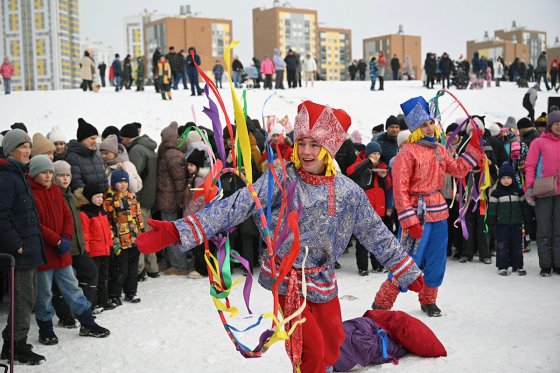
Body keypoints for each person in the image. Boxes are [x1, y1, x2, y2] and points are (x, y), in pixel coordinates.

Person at [137, 100, 424, 373]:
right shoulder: (281, 179)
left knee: (332, 345)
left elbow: (375, 232)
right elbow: (237, 205)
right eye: (302, 144)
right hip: (289, 281)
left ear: (329, 149)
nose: (307, 151)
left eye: (315, 145)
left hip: (324, 279)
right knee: (308, 349)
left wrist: (404, 267)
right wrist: (180, 229)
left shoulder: (348, 192)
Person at [372, 96, 485, 317]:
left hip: (439, 212)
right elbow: (400, 189)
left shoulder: (440, 150)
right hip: (417, 213)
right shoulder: (407, 152)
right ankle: (382, 303)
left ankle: (428, 299)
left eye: (431, 122)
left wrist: (473, 147)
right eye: (424, 124)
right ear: (415, 128)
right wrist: (408, 219)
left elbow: (459, 169)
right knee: (405, 259)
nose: (430, 127)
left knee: (436, 258)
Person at [28, 155, 110, 346]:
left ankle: (88, 323)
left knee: (72, 287)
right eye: (44, 172)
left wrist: (65, 238)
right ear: (34, 173)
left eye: (50, 172)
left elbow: (67, 217)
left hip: (62, 250)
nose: (48, 176)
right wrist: (56, 240)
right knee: (44, 293)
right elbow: (35, 224)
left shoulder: (56, 192)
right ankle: (46, 329)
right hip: (44, 253)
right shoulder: (29, 193)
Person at [0, 129, 46, 365]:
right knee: (22, 300)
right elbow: (1, 217)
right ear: (10, 150)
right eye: (22, 145)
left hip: (29, 248)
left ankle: (15, 343)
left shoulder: (18, 173)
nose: (28, 150)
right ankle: (15, 347)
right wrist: (16, 245)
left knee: (28, 299)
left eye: (29, 145)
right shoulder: (6, 176)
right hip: (19, 252)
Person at [51, 160, 99, 325]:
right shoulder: (53, 195)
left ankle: (84, 308)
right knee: (60, 283)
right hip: (62, 246)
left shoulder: (71, 195)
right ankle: (65, 317)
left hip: (78, 246)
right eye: (61, 175)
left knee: (90, 271)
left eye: (67, 175)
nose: (65, 179)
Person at [120, 123, 159, 280]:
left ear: (128, 137)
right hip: (150, 196)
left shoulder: (136, 150)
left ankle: (139, 269)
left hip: (140, 197)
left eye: (123, 138)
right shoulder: (149, 147)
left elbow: (134, 176)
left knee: (140, 235)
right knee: (149, 233)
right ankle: (153, 266)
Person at [347, 141, 391, 274]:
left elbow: (388, 187)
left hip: (379, 208)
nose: (376, 156)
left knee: (377, 238)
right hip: (364, 209)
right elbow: (351, 172)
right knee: (362, 239)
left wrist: (385, 177)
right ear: (367, 154)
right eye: (373, 153)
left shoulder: (383, 167)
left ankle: (377, 265)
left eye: (378, 153)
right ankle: (362, 267)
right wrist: (368, 162)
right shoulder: (361, 164)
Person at [524, 110, 560, 276]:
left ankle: (558, 263)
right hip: (543, 189)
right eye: (556, 123)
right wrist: (529, 187)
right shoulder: (538, 142)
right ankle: (546, 265)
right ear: (550, 125)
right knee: (544, 229)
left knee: (558, 230)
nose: (559, 126)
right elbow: (530, 165)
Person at [104, 169, 144, 304]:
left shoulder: (132, 197)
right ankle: (114, 294)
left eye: (125, 181)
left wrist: (142, 233)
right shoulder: (110, 200)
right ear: (114, 183)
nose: (123, 184)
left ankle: (131, 292)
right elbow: (108, 221)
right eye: (120, 182)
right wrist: (113, 238)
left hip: (134, 239)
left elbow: (138, 217)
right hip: (120, 241)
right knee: (120, 269)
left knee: (133, 269)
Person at [488, 162, 531, 276]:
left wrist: (527, 218)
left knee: (517, 245)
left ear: (513, 178)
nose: (506, 180)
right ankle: (503, 266)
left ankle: (518, 265)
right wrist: (491, 218)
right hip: (502, 224)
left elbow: (524, 207)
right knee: (502, 245)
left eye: (508, 178)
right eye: (503, 178)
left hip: (516, 224)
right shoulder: (496, 193)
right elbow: (492, 207)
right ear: (499, 179)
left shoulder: (518, 191)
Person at [156, 122, 188, 275]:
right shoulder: (171, 152)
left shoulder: (171, 154)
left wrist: (181, 200)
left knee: (171, 233)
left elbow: (179, 180)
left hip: (170, 200)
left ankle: (178, 265)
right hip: (168, 198)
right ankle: (173, 262)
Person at [80, 183, 117, 310]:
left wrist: (111, 246)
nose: (100, 199)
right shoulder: (85, 213)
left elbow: (108, 231)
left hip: (105, 250)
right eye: (97, 197)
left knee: (103, 277)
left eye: (101, 197)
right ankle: (93, 303)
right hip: (94, 252)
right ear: (89, 198)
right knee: (93, 279)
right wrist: (87, 252)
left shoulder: (103, 212)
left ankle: (103, 300)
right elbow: (85, 234)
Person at [65, 118, 107, 205]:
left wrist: (104, 195)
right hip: (87, 203)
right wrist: (91, 197)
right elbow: (76, 182)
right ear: (82, 138)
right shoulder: (73, 157)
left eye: (95, 138)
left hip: (101, 200)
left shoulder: (95, 156)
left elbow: (104, 178)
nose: (95, 141)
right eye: (92, 138)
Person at [182, 149, 208, 279]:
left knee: (199, 244)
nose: (189, 167)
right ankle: (199, 267)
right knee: (197, 243)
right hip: (194, 216)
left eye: (192, 165)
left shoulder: (198, 180)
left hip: (197, 217)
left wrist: (187, 213)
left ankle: (202, 269)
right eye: (188, 165)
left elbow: (198, 199)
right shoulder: (192, 179)